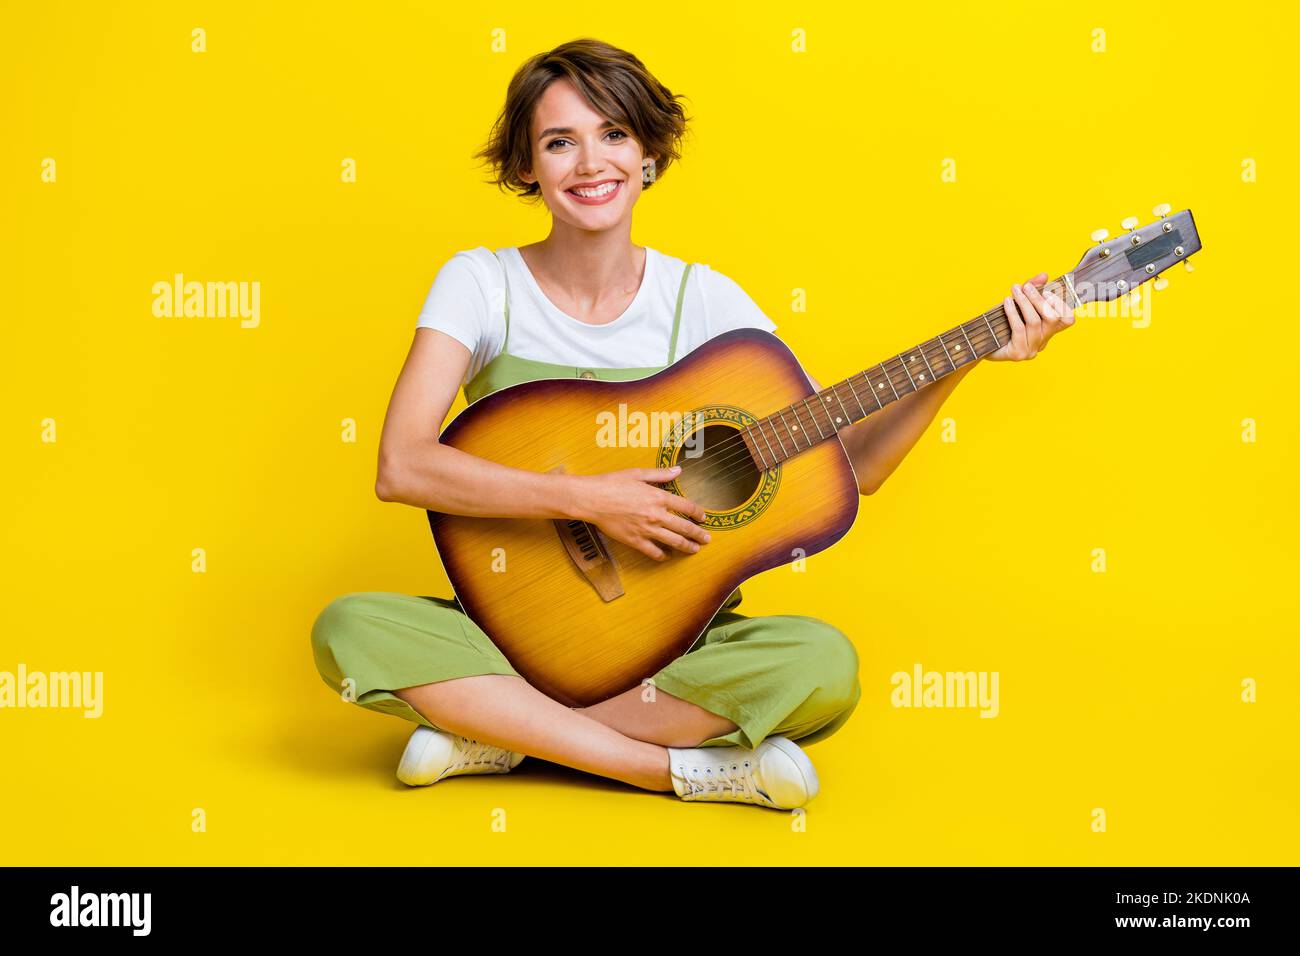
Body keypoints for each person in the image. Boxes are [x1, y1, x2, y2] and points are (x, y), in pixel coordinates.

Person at [310, 38, 1075, 811]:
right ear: (525, 167)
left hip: (678, 645)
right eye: (559, 142)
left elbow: (858, 467)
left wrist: (969, 358)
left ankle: (501, 727)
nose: (590, 162)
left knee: (821, 666)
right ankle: (667, 771)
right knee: (349, 629)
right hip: (516, 624)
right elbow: (401, 466)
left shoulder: (705, 302)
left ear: (647, 156)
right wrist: (592, 501)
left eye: (614, 135)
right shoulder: (481, 284)